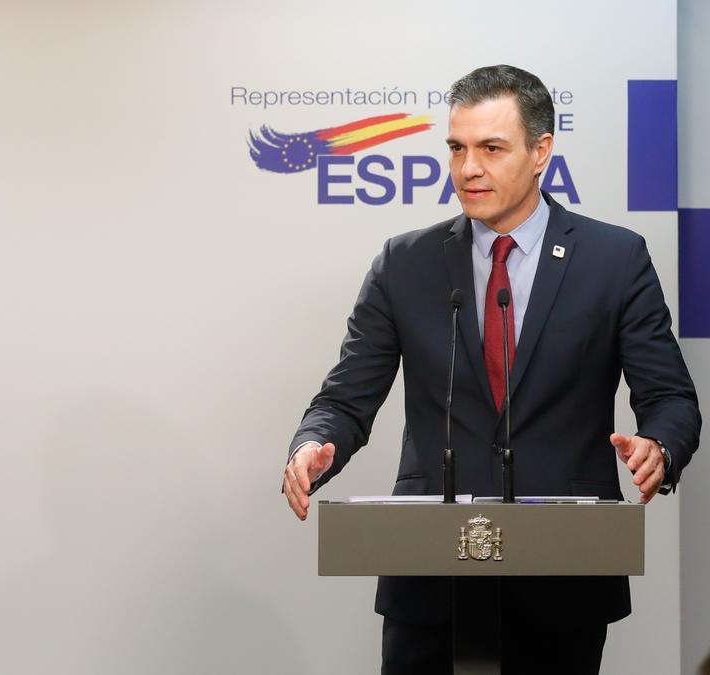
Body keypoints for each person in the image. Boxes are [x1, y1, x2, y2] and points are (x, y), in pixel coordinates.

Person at [281, 65, 699, 673]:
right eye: (457, 148)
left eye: (491, 149)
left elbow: (670, 397)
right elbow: (345, 399)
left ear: (541, 153)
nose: (468, 168)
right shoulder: (407, 263)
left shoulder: (615, 259)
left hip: (562, 576)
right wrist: (316, 443)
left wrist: (660, 445)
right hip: (431, 580)